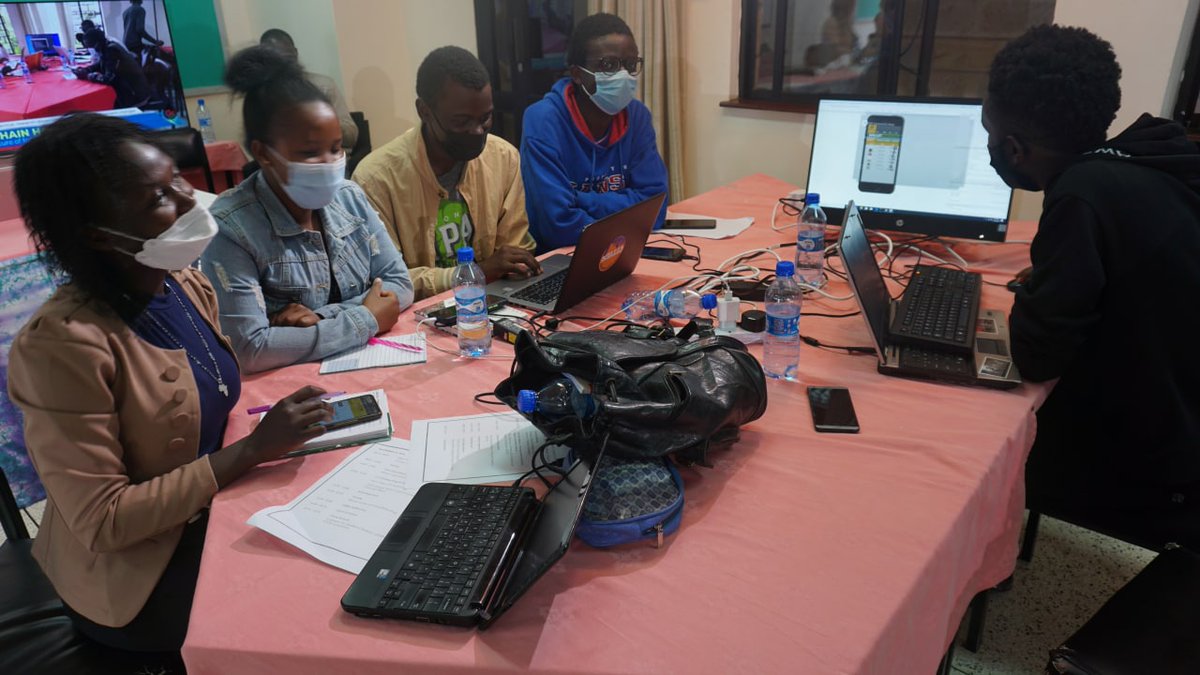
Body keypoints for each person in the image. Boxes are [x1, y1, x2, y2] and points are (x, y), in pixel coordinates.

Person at [6, 113, 334, 656]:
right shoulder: (61, 348)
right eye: (160, 198)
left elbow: (208, 388)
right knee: (300, 617)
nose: (190, 202)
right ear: (97, 233)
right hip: (136, 577)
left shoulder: (181, 281)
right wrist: (252, 450)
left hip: (212, 511)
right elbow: (103, 520)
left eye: (179, 180)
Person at [983, 25, 1200, 545]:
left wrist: (1036, 295)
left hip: (1158, 468)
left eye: (989, 133)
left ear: (1014, 147)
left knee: (971, 443)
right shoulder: (1146, 154)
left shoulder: (1081, 197)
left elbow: (1036, 354)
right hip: (1184, 409)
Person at [201, 46, 413, 373]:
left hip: (372, 367)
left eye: (336, 148)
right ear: (264, 153)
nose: (330, 164)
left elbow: (399, 284)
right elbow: (247, 347)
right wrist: (366, 317)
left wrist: (323, 319)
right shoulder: (231, 228)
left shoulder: (350, 198)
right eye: (311, 152)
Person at [352, 46, 539, 299]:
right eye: (462, 122)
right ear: (424, 111)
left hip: (492, 302)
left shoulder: (502, 157)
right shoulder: (376, 179)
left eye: (485, 118)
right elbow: (383, 281)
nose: (477, 131)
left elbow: (514, 248)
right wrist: (478, 271)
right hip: (417, 318)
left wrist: (515, 266)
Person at [520, 12, 668, 252]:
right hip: (561, 259)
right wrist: (626, 215)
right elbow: (558, 226)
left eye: (631, 65)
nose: (623, 75)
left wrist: (580, 199)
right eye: (609, 65)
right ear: (577, 74)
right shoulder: (543, 120)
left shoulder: (637, 116)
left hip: (623, 251)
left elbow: (655, 208)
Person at [260, 28, 358, 154]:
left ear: (295, 53)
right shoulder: (261, 95)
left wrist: (320, 123)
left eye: (287, 58)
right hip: (283, 164)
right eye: (275, 60)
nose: (284, 65)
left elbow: (352, 136)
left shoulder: (323, 86)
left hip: (328, 161)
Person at [75, 28, 150, 108]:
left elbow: (108, 79)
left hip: (135, 95)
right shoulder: (108, 46)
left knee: (101, 105)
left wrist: (88, 75)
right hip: (130, 90)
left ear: (97, 43)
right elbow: (101, 63)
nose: (92, 50)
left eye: (91, 46)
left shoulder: (111, 50)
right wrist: (86, 69)